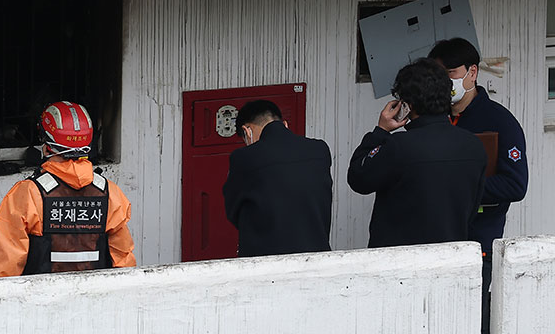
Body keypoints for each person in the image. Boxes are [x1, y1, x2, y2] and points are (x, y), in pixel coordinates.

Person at [429, 37, 527, 333]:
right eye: (437, 77)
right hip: (433, 241)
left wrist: (461, 189)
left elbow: (515, 185)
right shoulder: (433, 119)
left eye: (450, 74)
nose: (444, 83)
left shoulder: (499, 120)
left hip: (477, 244)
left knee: (471, 321)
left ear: (472, 72)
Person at [347, 58, 487, 247]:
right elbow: (474, 206)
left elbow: (358, 178)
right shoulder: (474, 145)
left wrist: (380, 131)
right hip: (452, 255)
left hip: (399, 261)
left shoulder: (398, 146)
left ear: (407, 104)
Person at [0, 101, 136, 276]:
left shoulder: (28, 194)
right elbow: (124, 263)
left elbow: (7, 267)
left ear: (46, 142)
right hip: (95, 300)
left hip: (40, 301)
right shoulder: (110, 193)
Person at [222, 100, 332, 256]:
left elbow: (234, 211)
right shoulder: (319, 150)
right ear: (284, 124)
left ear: (247, 131)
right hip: (316, 255)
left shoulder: (244, 157)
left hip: (266, 261)